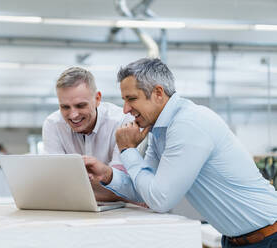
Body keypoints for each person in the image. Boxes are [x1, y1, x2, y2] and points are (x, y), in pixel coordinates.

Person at [85, 58, 277, 247]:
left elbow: (160, 200)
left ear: (158, 93)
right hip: (237, 240)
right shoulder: (159, 132)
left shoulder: (188, 123)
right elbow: (145, 191)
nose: (126, 109)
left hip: (269, 237)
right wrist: (107, 175)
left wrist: (127, 150)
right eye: (124, 100)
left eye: (132, 99)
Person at [42, 67, 133, 201]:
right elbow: (56, 184)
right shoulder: (53, 124)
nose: (73, 115)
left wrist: (73, 186)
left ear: (97, 98)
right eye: (65, 107)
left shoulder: (122, 121)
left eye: (80, 106)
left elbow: (122, 188)